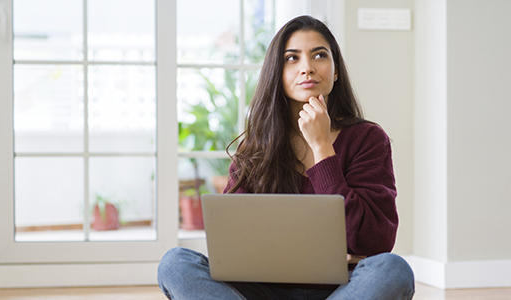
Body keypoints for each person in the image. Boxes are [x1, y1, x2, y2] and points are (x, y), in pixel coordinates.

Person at [157, 15, 415, 300]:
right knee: (175, 263)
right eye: (292, 58)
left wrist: (322, 148)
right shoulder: (257, 147)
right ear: (277, 72)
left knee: (393, 270)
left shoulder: (367, 139)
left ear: (336, 70)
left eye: (319, 55)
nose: (307, 68)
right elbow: (232, 243)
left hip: (343, 289)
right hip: (263, 289)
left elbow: (374, 241)